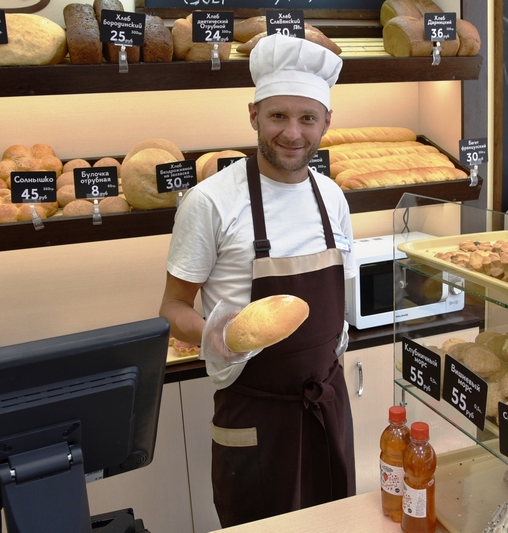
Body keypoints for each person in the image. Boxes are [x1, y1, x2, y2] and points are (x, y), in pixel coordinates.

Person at [158, 33, 357, 527]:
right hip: (255, 413)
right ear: (253, 115)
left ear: (326, 122)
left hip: (327, 405)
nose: (292, 133)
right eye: (278, 116)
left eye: (307, 118)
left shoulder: (332, 197)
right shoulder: (210, 202)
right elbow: (172, 308)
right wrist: (217, 335)